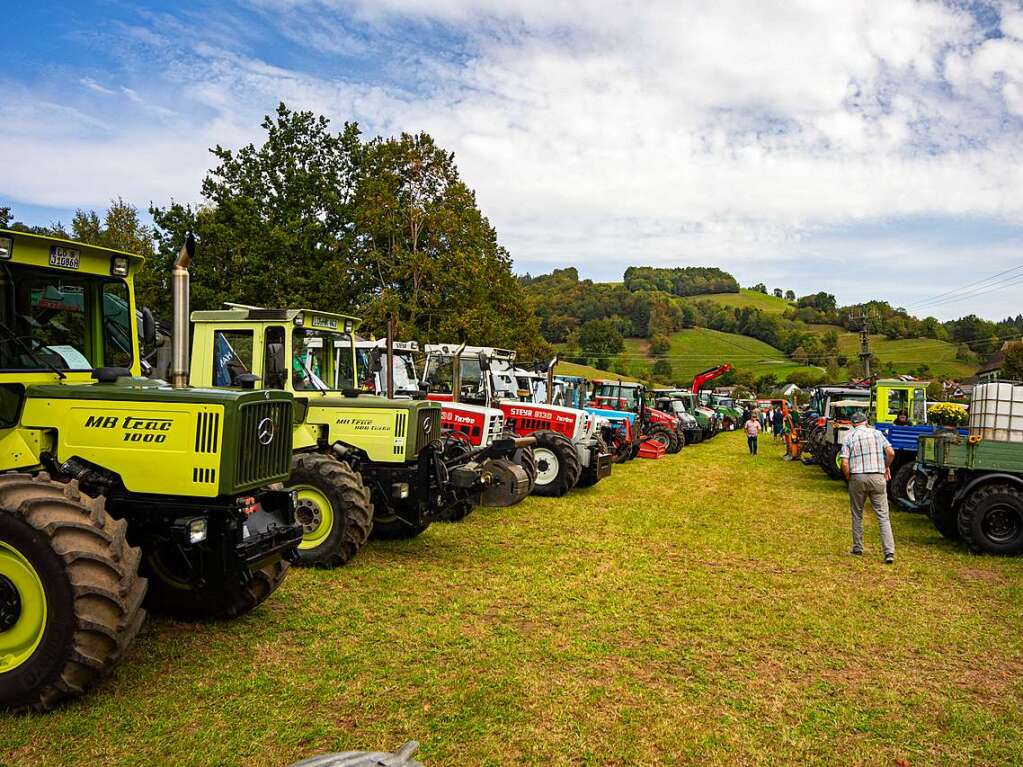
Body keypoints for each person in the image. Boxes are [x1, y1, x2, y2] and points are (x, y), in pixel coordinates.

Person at [840, 411, 896, 564]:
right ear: (866, 421)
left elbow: (844, 463)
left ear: (852, 424)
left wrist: (849, 477)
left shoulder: (849, 437)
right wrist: (885, 467)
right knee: (883, 516)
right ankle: (889, 552)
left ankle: (858, 547)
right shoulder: (877, 434)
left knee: (857, 513)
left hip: (857, 476)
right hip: (877, 476)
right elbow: (890, 452)